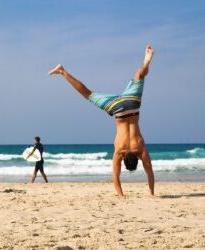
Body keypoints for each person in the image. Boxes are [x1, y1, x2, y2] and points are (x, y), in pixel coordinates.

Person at [48, 45, 155, 197]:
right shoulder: (120, 151)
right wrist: (121, 195)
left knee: (139, 74)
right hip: (117, 110)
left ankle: (146, 62)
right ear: (124, 158)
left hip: (132, 104)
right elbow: (116, 177)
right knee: (88, 94)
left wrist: (152, 193)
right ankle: (62, 71)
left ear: (137, 158)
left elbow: (150, 173)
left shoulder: (140, 148)